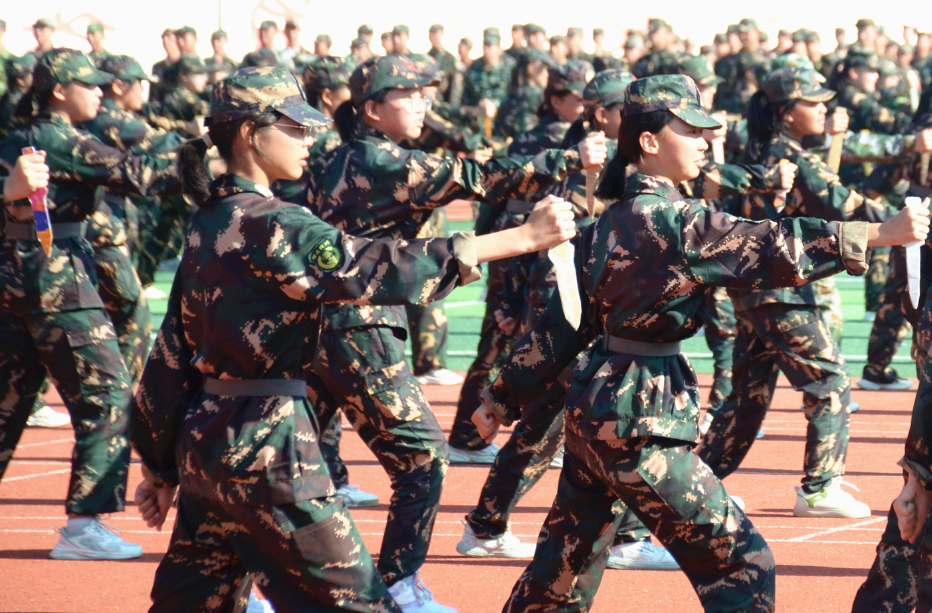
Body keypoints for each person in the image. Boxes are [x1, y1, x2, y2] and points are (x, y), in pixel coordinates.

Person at [471, 73, 930, 613]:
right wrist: (879, 233)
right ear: (649, 141)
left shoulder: (608, 222)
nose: (706, 141)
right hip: (644, 419)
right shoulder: (675, 221)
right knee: (741, 562)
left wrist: (498, 398)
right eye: (691, 131)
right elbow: (771, 243)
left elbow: (559, 328)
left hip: (592, 414)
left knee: (559, 577)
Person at [130, 64, 579, 613]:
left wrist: (160, 466)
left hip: (208, 452)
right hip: (270, 451)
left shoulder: (210, 220)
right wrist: (522, 237)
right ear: (250, 133)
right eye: (294, 127)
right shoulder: (275, 223)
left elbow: (168, 357)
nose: (308, 136)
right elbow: (375, 264)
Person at [306, 53, 607, 610]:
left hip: (318, 323)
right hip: (363, 323)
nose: (423, 102)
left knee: (295, 462)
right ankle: (397, 587)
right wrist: (570, 156)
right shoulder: (382, 160)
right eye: (408, 94)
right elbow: (475, 176)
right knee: (422, 458)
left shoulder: (336, 158)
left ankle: (271, 589)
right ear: (371, 109)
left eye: (426, 92)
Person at [0, 48, 183, 561]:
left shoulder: (19, 136)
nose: (100, 91)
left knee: (6, 404)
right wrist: (209, 151)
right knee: (108, 395)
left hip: (15, 279)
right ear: (58, 90)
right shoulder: (60, 139)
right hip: (58, 283)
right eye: (89, 83)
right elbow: (140, 176)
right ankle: (84, 524)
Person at [698, 67, 893, 518]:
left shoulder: (769, 152)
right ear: (787, 112)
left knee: (746, 400)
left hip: (757, 289)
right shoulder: (790, 159)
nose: (824, 109)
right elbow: (849, 205)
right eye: (813, 101)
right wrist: (905, 223)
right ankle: (820, 489)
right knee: (829, 381)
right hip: (780, 290)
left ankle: (696, 487)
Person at [150, 28, 181, 103]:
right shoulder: (158, 67)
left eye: (169, 38)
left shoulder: (183, 64)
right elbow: (154, 94)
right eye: (164, 39)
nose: (166, 42)